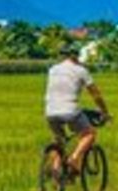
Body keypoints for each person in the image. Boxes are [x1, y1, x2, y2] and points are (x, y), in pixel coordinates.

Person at [45, 44, 111, 174]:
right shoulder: (81, 71)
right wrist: (105, 112)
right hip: (70, 110)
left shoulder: (53, 69)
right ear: (76, 56)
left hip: (50, 111)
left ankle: (55, 168)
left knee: (59, 139)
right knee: (89, 134)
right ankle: (74, 159)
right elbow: (96, 94)